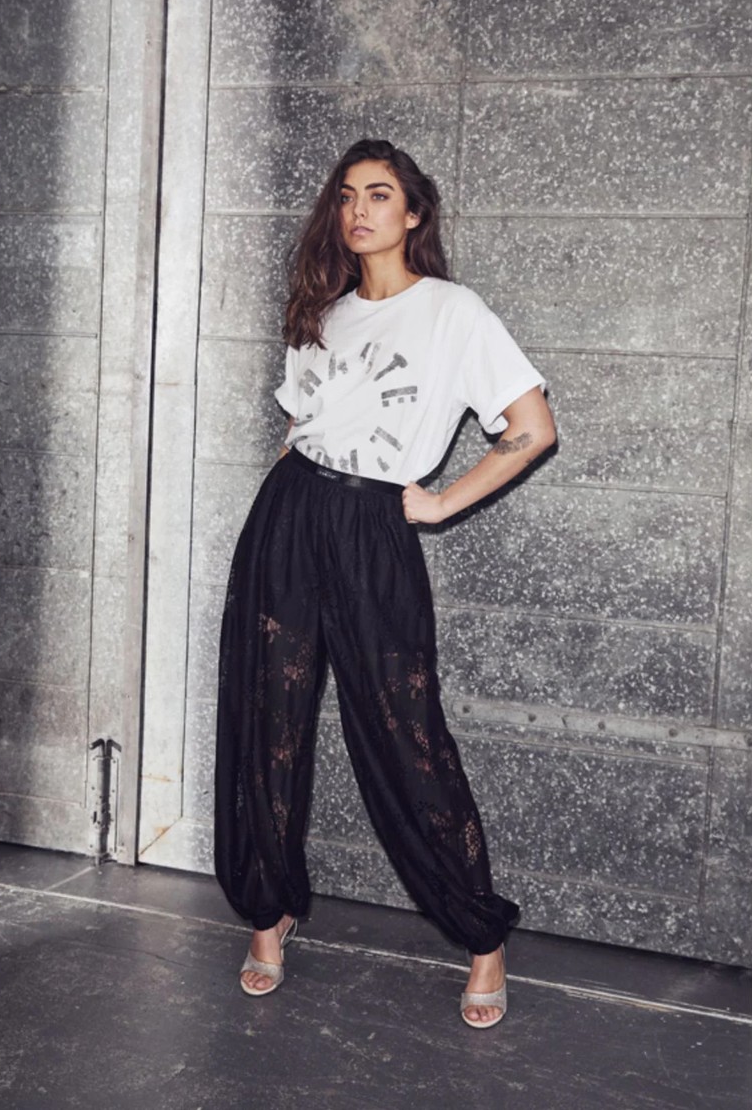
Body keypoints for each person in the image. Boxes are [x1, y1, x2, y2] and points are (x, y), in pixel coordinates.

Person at [214, 138, 556, 1029]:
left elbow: (532, 428)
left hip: (373, 528)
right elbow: (301, 428)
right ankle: (268, 914)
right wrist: (286, 501)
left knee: (408, 732)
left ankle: (482, 936)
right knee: (268, 721)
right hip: (289, 517)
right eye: (346, 195)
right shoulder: (323, 312)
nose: (358, 209)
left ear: (413, 213)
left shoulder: (452, 312)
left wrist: (439, 503)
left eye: (378, 194)